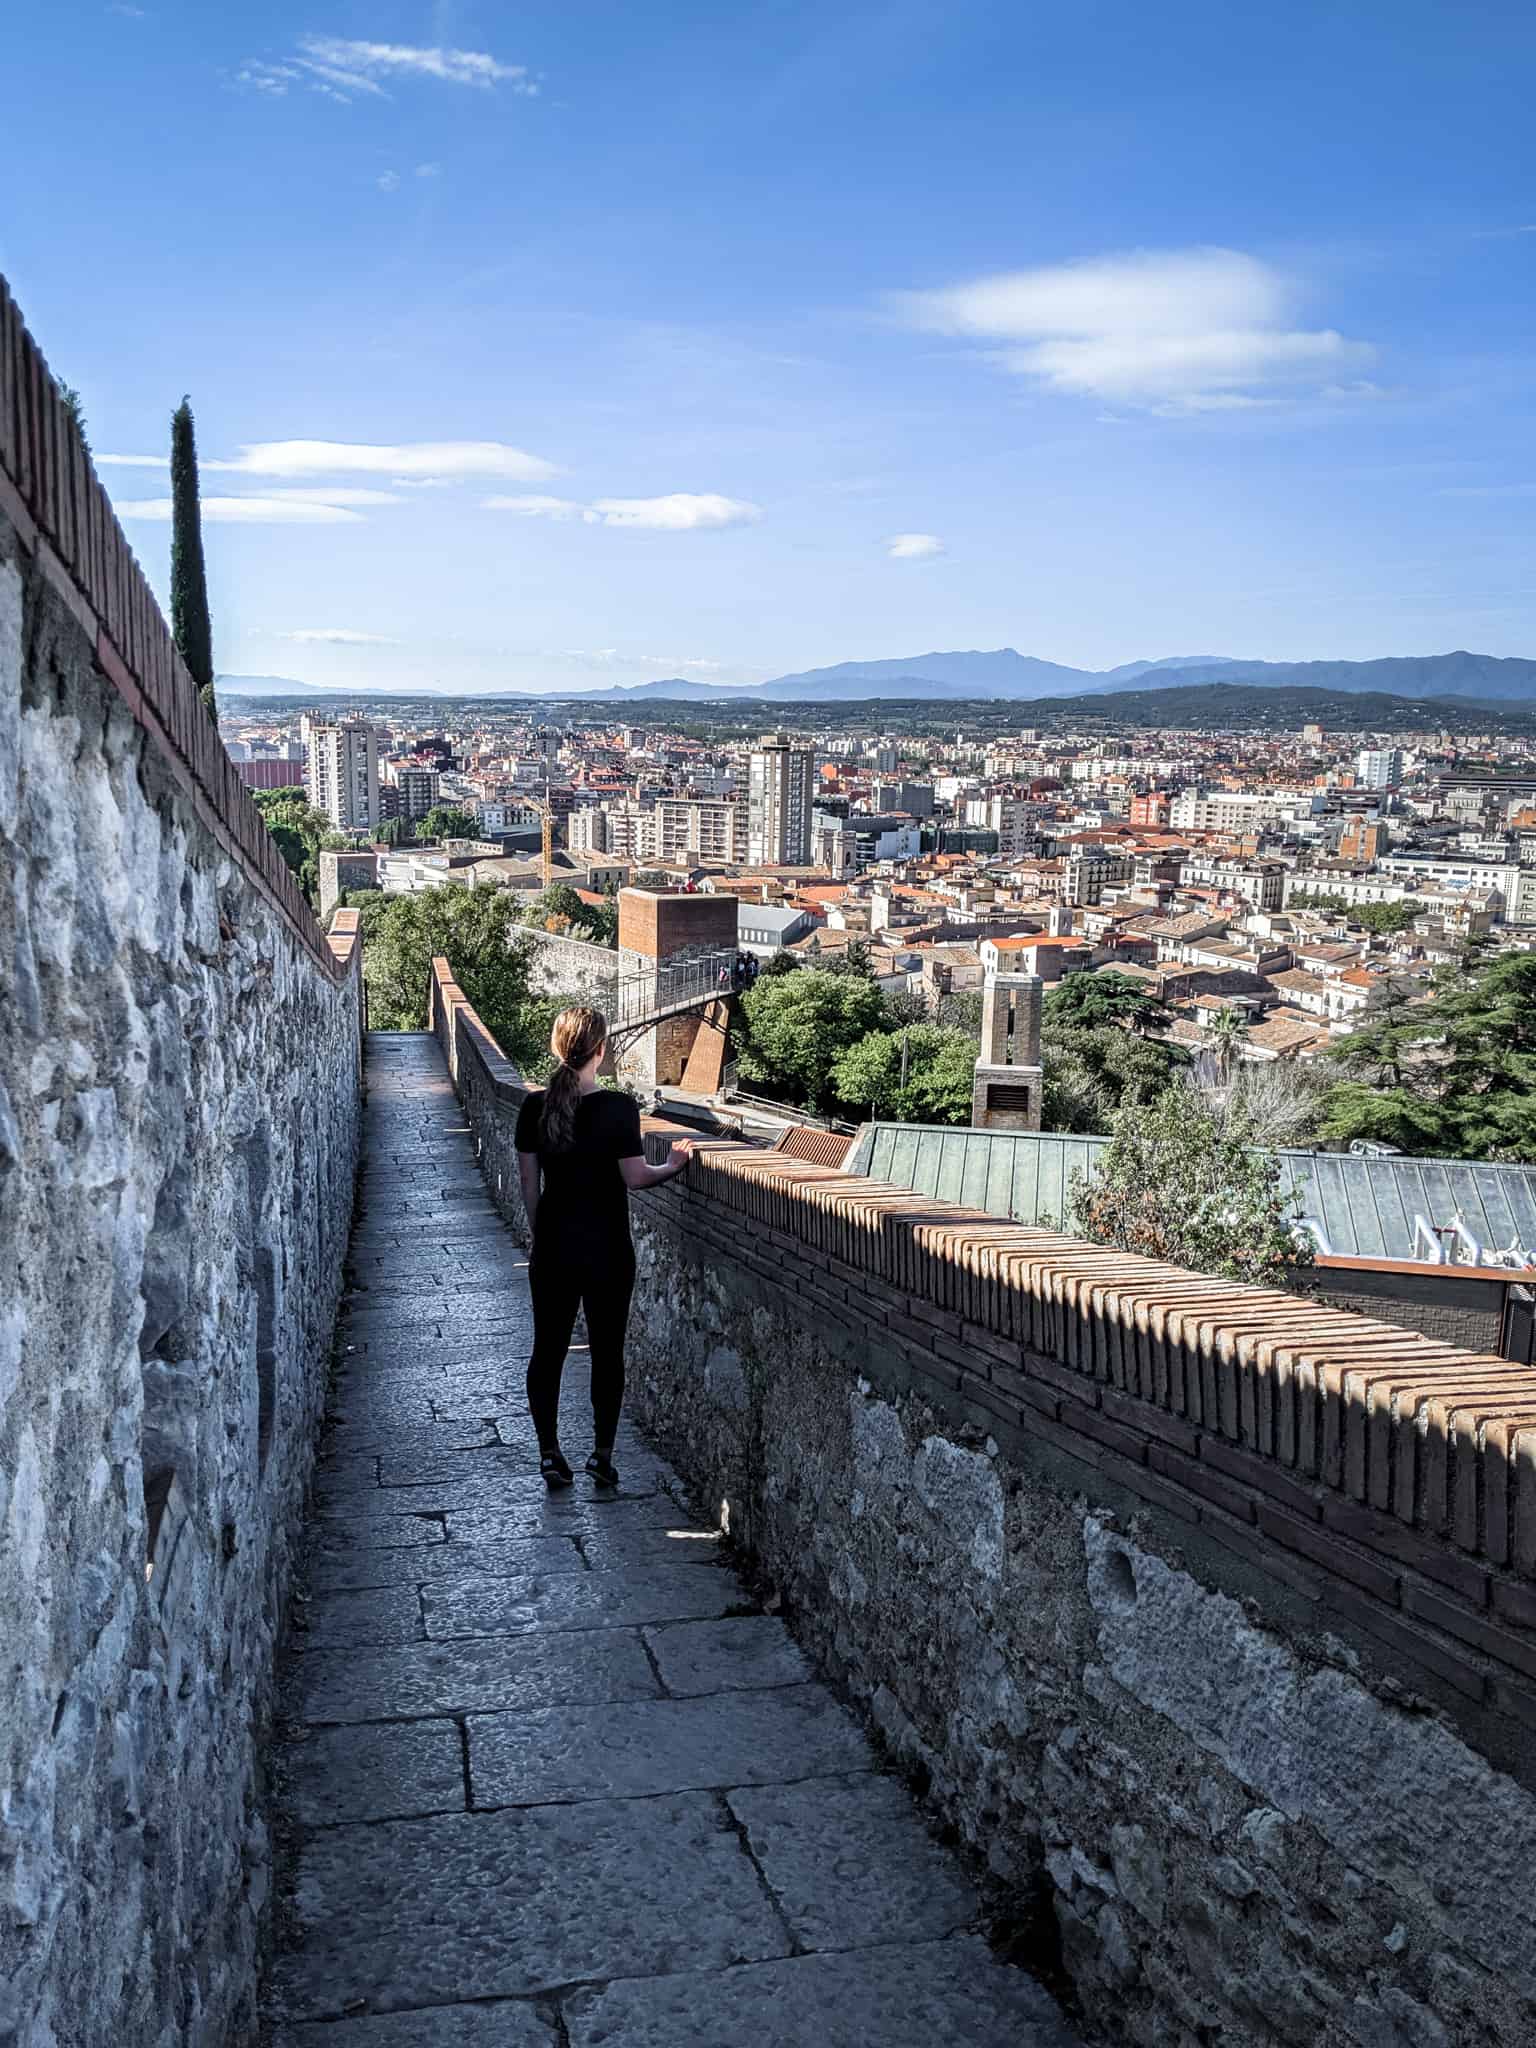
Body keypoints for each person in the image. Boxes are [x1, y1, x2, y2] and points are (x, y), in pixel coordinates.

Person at [515, 1006, 694, 1490]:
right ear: (601, 1049)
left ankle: (550, 1453)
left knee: (547, 1350)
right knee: (606, 1351)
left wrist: (540, 1236)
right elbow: (635, 1178)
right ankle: (602, 1454)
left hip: (554, 1244)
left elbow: (530, 1184)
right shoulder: (617, 1107)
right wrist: (674, 1165)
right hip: (607, 1248)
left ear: (557, 1049)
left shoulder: (534, 1107)